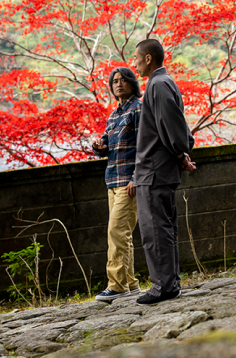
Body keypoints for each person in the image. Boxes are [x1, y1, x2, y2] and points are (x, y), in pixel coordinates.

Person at [131, 38, 197, 305]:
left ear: (148, 58)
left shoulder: (157, 85)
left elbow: (169, 125)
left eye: (136, 58)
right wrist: (181, 154)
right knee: (165, 228)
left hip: (154, 170)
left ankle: (163, 286)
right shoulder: (163, 83)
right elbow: (174, 125)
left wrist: (181, 152)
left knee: (155, 230)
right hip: (160, 168)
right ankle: (169, 282)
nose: (134, 64)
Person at [91, 66, 144, 302]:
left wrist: (136, 177)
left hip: (128, 181)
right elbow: (106, 144)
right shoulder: (113, 115)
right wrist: (98, 146)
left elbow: (145, 146)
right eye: (114, 82)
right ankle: (130, 283)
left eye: (123, 80)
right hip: (111, 178)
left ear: (133, 83)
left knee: (116, 231)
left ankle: (116, 285)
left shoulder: (139, 109)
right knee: (124, 235)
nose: (118, 84)